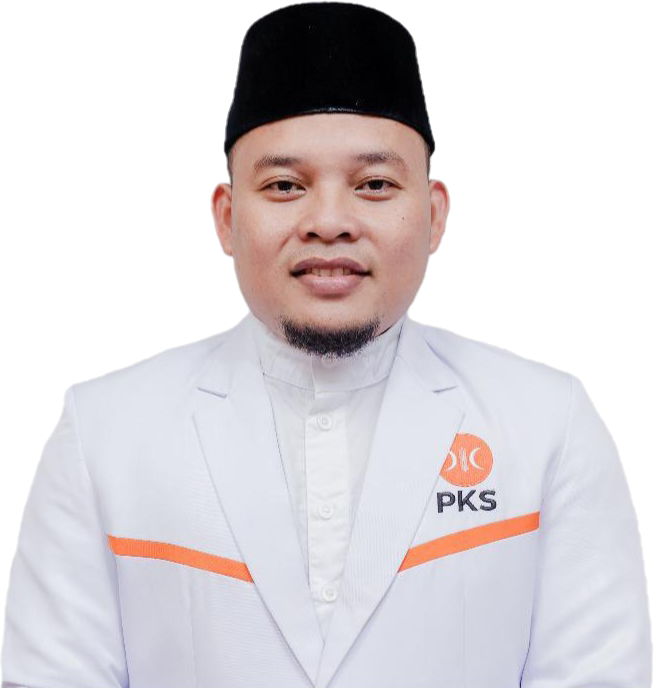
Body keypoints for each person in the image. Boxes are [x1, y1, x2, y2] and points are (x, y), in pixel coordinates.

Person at [1, 3, 651, 687]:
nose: (330, 222)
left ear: (434, 215)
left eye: (375, 185)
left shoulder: (546, 421)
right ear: (227, 217)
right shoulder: (104, 431)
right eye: (284, 185)